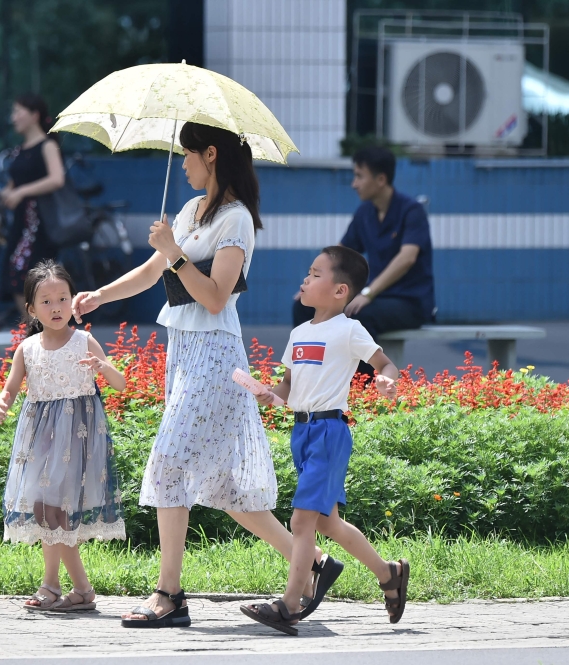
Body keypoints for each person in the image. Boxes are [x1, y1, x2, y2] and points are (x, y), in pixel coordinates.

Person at [72, 123, 343, 629]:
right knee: (226, 488)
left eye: (189, 155)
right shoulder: (191, 212)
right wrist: (100, 295)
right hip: (185, 353)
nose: (186, 164)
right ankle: (312, 565)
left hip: (216, 358)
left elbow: (215, 297)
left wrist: (175, 252)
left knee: (170, 463)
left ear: (211, 154)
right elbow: (154, 273)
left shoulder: (236, 220)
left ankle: (169, 595)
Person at [243, 246, 410, 635]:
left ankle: (289, 606)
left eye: (316, 274)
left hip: (329, 433)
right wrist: (272, 394)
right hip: (301, 433)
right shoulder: (299, 333)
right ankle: (389, 574)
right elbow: (288, 385)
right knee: (328, 523)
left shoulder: (349, 329)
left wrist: (387, 380)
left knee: (302, 521)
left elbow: (384, 363)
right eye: (308, 272)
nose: (305, 279)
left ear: (340, 290)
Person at [0, 260, 127, 612]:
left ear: (73, 301)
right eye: (47, 301)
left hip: (76, 439)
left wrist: (103, 367)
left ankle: (66, 587)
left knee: (56, 512)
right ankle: (65, 586)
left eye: (62, 298)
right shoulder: (28, 348)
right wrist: (2, 401)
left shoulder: (84, 341)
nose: (56, 308)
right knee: (43, 510)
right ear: (31, 309)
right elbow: (10, 389)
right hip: (39, 442)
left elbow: (120, 383)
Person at [293, 147, 435, 373]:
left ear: (381, 179)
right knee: (302, 307)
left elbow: (407, 258)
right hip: (375, 299)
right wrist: (314, 283)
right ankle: (310, 374)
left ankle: (362, 393)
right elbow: (339, 255)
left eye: (359, 176)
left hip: (409, 302)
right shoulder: (365, 214)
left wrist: (367, 293)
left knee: (358, 315)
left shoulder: (411, 211)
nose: (354, 183)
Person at [1, 94, 66, 312]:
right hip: (20, 224)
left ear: (34, 115)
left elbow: (57, 178)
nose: (14, 117)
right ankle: (33, 333)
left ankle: (36, 334)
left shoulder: (47, 145)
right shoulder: (20, 149)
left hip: (38, 225)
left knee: (26, 277)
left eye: (18, 112)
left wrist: (21, 192)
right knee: (18, 279)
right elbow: (13, 183)